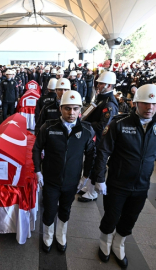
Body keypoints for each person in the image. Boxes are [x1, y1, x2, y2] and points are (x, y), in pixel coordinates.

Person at [93, 84, 156, 268]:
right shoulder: (119, 123)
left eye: (154, 104)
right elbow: (103, 152)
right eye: (145, 103)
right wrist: (99, 178)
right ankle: (104, 242)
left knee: (130, 218)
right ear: (136, 103)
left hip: (141, 185)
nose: (149, 108)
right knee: (111, 217)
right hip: (117, 183)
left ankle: (118, 244)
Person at [33, 90, 95, 253]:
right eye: (67, 108)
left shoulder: (86, 131)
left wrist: (86, 176)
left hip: (72, 181)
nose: (71, 112)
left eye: (75, 109)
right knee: (50, 209)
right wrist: (37, 170)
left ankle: (61, 235)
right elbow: (37, 148)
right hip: (50, 180)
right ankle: (48, 236)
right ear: (60, 108)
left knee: (65, 209)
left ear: (80, 110)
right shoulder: (48, 127)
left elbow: (90, 154)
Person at [78, 71, 119, 202]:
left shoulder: (109, 103)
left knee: (96, 163)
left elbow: (103, 126)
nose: (98, 85)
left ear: (108, 85)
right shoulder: (101, 98)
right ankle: (88, 186)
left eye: (101, 83)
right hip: (93, 136)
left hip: (100, 139)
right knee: (89, 162)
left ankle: (92, 192)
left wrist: (87, 123)